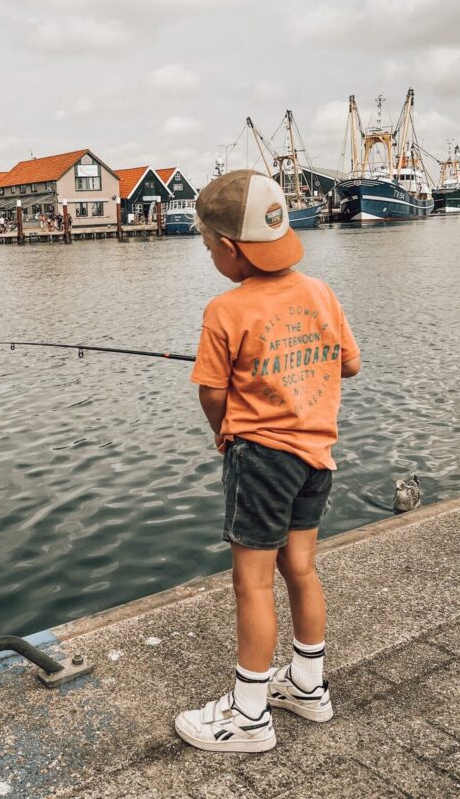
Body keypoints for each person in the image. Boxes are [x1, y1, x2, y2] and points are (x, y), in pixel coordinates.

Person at [175, 170, 361, 755]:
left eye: (208, 248)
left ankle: (249, 715)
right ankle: (308, 685)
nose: (210, 257)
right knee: (300, 567)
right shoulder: (321, 292)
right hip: (315, 456)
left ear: (230, 249)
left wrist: (225, 431)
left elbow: (210, 391)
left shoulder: (224, 310)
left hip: (260, 460)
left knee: (250, 583)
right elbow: (349, 365)